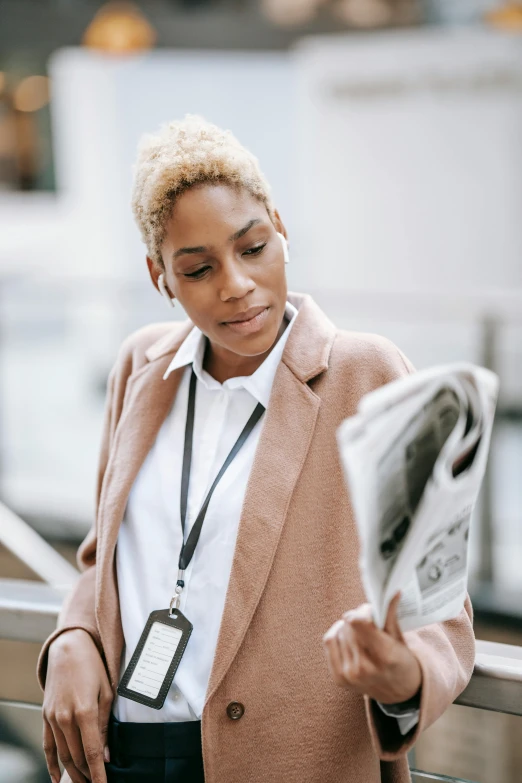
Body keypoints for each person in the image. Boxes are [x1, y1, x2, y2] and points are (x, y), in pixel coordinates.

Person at [38, 115, 475, 783]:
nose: (236, 283)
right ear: (160, 277)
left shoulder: (370, 374)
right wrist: (71, 636)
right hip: (118, 756)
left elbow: (441, 608)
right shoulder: (139, 369)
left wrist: (404, 674)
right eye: (198, 267)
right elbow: (103, 556)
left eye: (252, 247)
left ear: (281, 228)